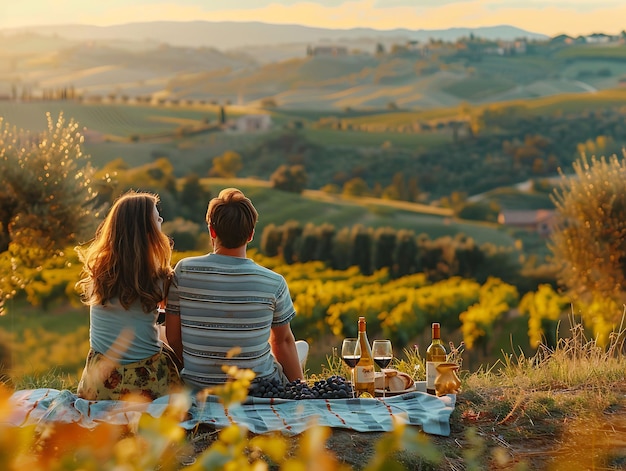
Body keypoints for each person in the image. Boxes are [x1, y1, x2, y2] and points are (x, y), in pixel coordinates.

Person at [165, 188, 304, 390]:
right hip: (258, 389)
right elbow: (282, 343)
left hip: (198, 388)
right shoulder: (274, 282)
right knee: (295, 348)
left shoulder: (184, 270)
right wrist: (302, 390)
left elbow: (174, 337)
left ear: (212, 231)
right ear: (251, 235)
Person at [75, 190, 183, 401]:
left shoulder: (98, 273)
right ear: (148, 231)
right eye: (157, 218)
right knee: (163, 332)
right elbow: (172, 329)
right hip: (147, 385)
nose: (162, 221)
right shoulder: (160, 278)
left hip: (100, 385)